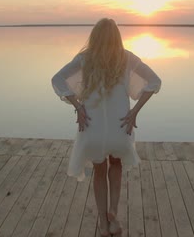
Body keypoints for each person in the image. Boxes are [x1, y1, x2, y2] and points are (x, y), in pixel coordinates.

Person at [51, 18, 161, 236]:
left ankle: (103, 224)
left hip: (93, 127)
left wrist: (78, 107)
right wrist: (134, 111)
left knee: (99, 171)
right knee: (116, 165)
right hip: (121, 126)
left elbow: (58, 79)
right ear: (116, 37)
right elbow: (154, 81)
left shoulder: (85, 59)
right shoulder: (126, 58)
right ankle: (113, 212)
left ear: (95, 36)